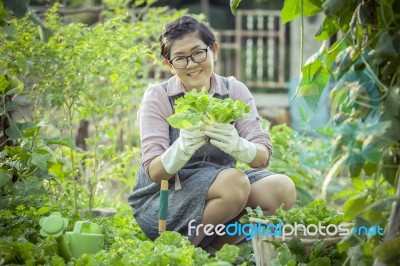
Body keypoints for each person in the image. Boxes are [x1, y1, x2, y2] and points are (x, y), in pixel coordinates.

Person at [128, 15, 296, 251]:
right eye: (180, 59)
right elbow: (155, 173)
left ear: (214, 50)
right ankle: (181, 251)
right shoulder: (159, 96)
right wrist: (181, 148)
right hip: (164, 200)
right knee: (234, 183)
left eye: (198, 53)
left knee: (281, 188)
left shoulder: (233, 90)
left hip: (223, 191)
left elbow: (262, 157)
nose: (192, 64)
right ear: (169, 65)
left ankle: (214, 252)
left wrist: (240, 146)